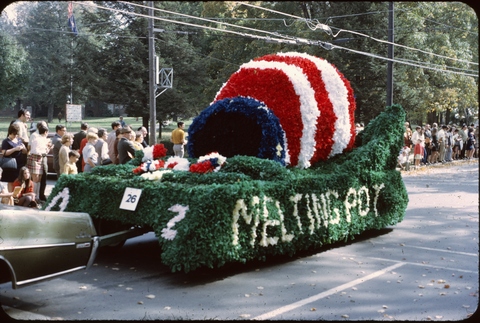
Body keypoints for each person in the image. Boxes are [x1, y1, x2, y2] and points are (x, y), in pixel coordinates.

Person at [27, 121, 51, 203]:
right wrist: (43, 152)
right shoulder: (35, 136)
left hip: (41, 158)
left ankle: (37, 197)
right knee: (35, 178)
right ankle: (33, 197)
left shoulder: (43, 138)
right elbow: (33, 149)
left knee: (40, 178)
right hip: (35, 158)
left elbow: (44, 150)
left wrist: (48, 148)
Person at [1, 123, 28, 191]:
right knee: (11, 181)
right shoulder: (6, 141)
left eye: (16, 134)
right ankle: (11, 196)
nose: (15, 136)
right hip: (11, 165)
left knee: (20, 181)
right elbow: (4, 152)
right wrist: (15, 149)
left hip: (20, 163)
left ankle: (17, 196)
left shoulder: (19, 140)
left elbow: (25, 152)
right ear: (10, 132)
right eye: (14, 134)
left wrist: (23, 148)